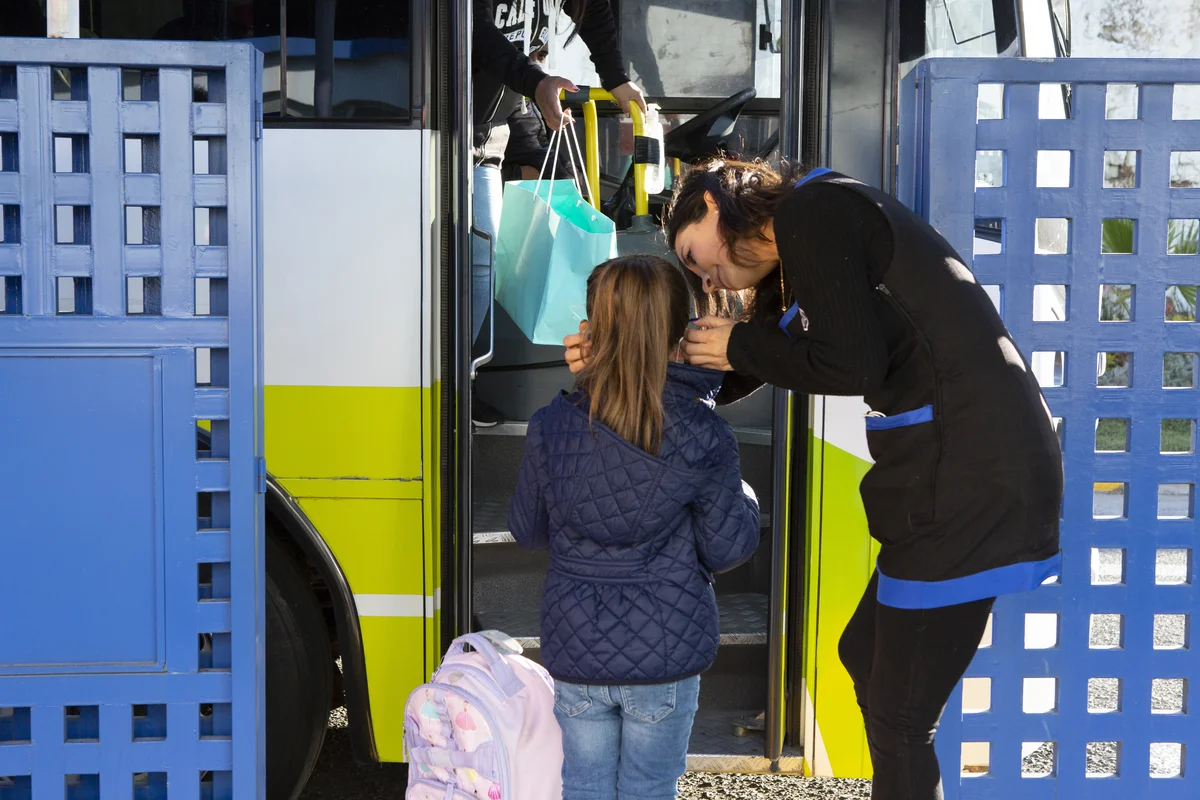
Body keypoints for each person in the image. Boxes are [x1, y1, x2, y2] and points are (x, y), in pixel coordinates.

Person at [564, 160, 1063, 800]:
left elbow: (851, 363)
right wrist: (619, 362)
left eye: (693, 256)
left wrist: (738, 345)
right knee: (866, 657)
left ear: (713, 205)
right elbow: (746, 367)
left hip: (969, 473)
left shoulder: (812, 213)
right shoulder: (805, 241)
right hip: (955, 469)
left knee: (901, 715)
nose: (703, 279)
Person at [509, 254, 761, 800]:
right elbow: (728, 548)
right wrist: (745, 496)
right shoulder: (704, 434)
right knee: (649, 788)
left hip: (576, 646)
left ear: (592, 329)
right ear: (680, 333)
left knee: (584, 786)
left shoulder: (550, 425)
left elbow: (528, 531)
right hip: (665, 653)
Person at [471, 0, 645, 425]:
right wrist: (536, 82)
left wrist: (616, 78)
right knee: (478, 262)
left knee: (564, 213)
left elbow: (593, 10)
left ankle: (468, 378)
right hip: (452, 129)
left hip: (497, 125)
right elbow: (473, 34)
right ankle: (455, 384)